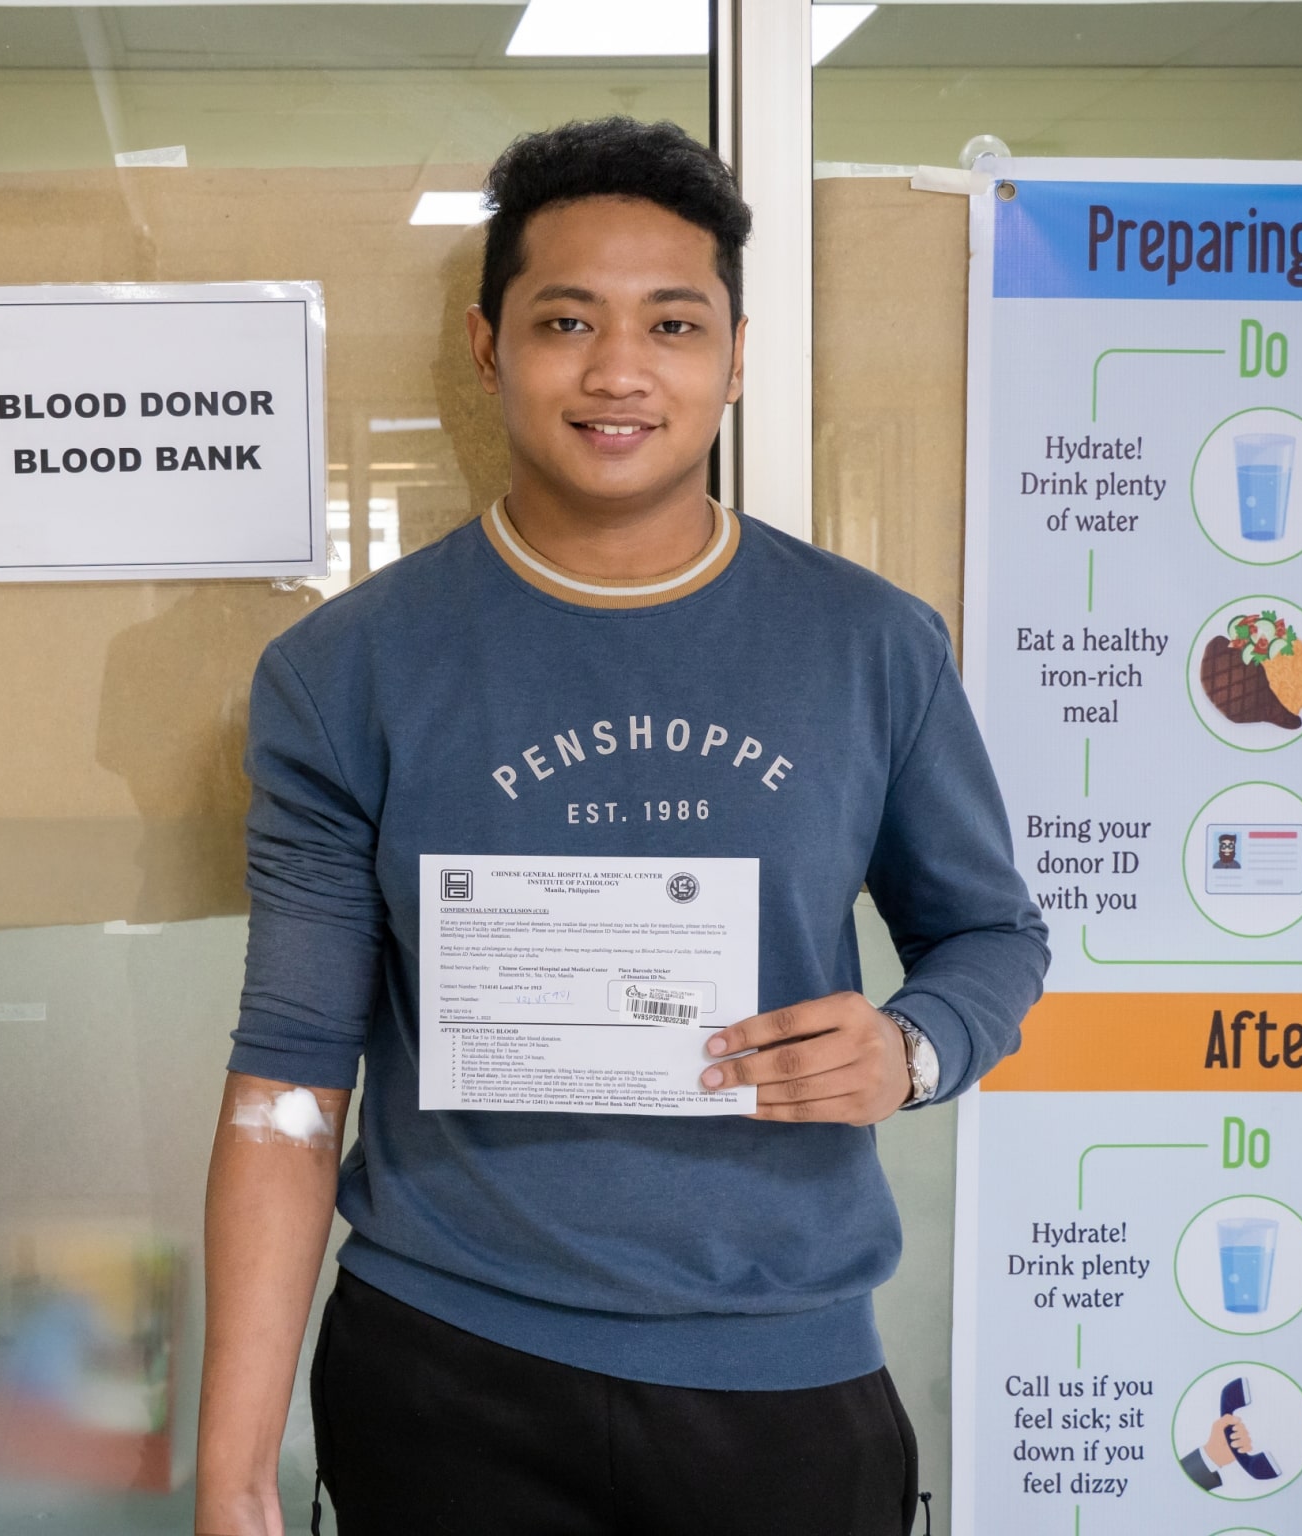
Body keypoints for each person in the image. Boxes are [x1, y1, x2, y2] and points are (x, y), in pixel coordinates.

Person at [196, 116, 1049, 1536]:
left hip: (781, 1378)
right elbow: (289, 1077)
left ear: (732, 351)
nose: (618, 371)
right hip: (443, 1373)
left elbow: (988, 934)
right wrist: (232, 1472)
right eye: (565, 322)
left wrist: (911, 1049)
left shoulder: (868, 645)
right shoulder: (348, 672)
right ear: (489, 348)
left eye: (672, 323)